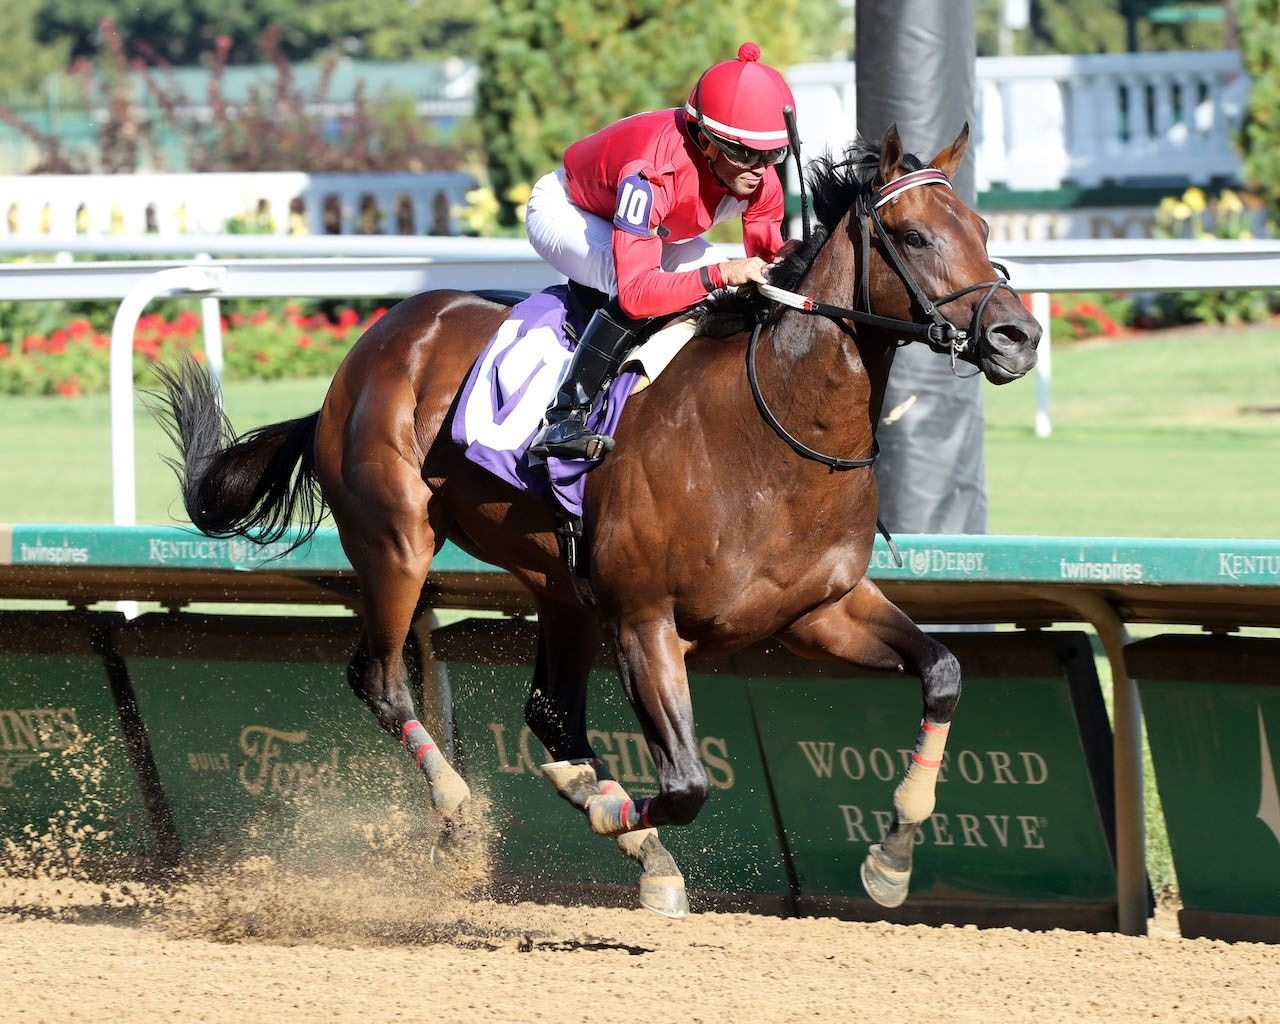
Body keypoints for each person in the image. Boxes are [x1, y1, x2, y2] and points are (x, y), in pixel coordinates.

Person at [524, 41, 798, 460]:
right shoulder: (652, 173)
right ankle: (564, 417)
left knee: (732, 284)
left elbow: (764, 256)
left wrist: (788, 258)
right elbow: (636, 294)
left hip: (661, 228)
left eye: (771, 154)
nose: (760, 168)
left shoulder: (760, 175)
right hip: (569, 210)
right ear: (705, 140)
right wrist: (724, 273)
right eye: (744, 153)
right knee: (643, 286)